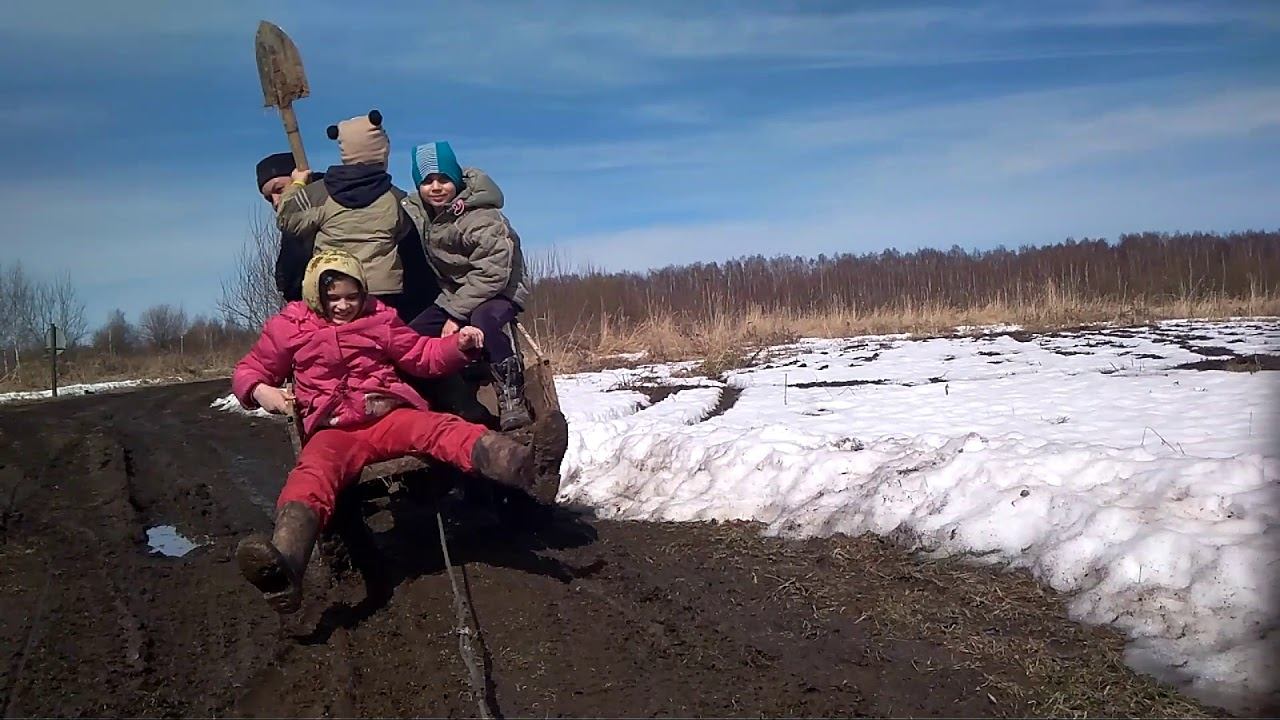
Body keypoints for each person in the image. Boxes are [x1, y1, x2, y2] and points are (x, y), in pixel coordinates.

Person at [231, 249, 534, 614]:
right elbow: (250, 370)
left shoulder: (379, 319)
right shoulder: (290, 327)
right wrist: (263, 391)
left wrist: (458, 346)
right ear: (315, 295)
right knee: (312, 475)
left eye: (351, 297)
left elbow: (421, 354)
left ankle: (519, 464)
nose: (343, 306)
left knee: (439, 428)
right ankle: (285, 563)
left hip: (387, 415)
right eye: (333, 299)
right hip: (334, 431)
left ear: (363, 293)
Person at [402, 141, 533, 431]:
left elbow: (494, 273)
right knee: (410, 338)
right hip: (456, 293)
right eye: (427, 181)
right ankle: (445, 400)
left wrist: (456, 315)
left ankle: (512, 397)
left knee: (483, 320)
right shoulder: (421, 213)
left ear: (457, 180)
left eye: (444, 179)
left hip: (500, 289)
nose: (436, 187)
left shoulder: (482, 216)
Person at [274, 110, 418, 314]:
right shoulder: (395, 197)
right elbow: (405, 232)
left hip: (332, 289)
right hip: (381, 292)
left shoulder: (319, 192)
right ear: (382, 152)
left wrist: (297, 184)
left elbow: (287, 218)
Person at [255, 151, 327, 302]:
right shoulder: (292, 224)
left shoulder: (330, 201)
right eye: (269, 198)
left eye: (279, 189)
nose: (275, 202)